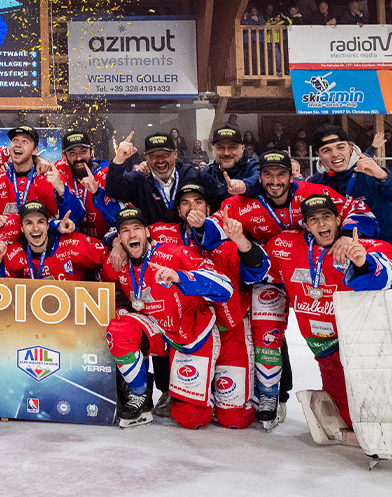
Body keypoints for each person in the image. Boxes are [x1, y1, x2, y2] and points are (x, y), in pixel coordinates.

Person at [198, 150, 378, 426]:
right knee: (265, 332)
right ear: (259, 178)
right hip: (271, 270)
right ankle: (270, 395)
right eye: (268, 175)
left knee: (330, 335)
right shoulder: (242, 203)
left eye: (281, 174)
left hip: (311, 270)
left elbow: (357, 209)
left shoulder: (311, 192)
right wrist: (201, 224)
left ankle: (360, 395)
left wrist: (345, 235)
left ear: (291, 176)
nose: (275, 181)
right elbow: (216, 228)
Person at [263, 195, 392, 441]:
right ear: (306, 225)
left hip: (362, 347)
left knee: (377, 409)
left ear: (338, 219)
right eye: (313, 219)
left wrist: (363, 263)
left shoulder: (362, 246)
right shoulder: (286, 246)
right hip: (324, 348)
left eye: (326, 216)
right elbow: (260, 269)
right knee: (351, 419)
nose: (321, 223)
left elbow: (387, 272)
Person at [147, 183, 269, 429]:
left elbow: (258, 270)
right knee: (189, 418)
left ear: (208, 209)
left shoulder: (226, 241)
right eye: (185, 203)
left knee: (235, 419)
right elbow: (132, 233)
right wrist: (116, 243)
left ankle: (248, 391)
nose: (192, 207)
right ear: (178, 211)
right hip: (191, 332)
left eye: (198, 202)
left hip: (228, 329)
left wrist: (242, 241)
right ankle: (198, 394)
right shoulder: (165, 235)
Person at [102, 207, 233, 429]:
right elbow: (103, 291)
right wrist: (120, 312)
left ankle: (204, 390)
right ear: (120, 238)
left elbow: (225, 287)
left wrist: (180, 277)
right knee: (118, 330)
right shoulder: (117, 263)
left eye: (137, 228)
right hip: (157, 330)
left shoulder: (174, 253)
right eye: (125, 231)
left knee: (190, 418)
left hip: (190, 332)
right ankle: (140, 395)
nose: (132, 234)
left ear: (147, 232)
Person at [105, 131, 221, 225]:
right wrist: (118, 160)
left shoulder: (193, 175)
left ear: (175, 154)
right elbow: (113, 190)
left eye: (166, 155)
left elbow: (219, 198)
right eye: (154, 156)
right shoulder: (140, 179)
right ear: (146, 158)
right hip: (154, 245)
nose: (160, 160)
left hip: (189, 243)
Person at [308, 124, 392, 243]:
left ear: (351, 147)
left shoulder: (370, 173)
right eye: (327, 150)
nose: (335, 154)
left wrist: (384, 177)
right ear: (319, 155)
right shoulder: (317, 182)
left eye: (340, 147)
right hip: (341, 250)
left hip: (381, 248)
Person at [0, 126, 83, 220]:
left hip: (38, 234)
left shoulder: (50, 179)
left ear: (35, 150)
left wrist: (61, 189)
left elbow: (77, 216)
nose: (18, 144)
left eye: (25, 141)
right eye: (15, 140)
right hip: (4, 235)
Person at [0, 201, 106, 281]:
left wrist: (114, 241)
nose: (35, 228)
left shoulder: (73, 244)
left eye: (40, 222)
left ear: (47, 225)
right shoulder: (12, 254)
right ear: (21, 228)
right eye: (29, 223)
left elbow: (107, 259)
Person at [53, 130, 122, 239]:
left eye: (83, 151)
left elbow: (119, 217)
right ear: (64, 156)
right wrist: (37, 160)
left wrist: (97, 192)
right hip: (74, 243)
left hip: (107, 242)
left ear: (92, 151)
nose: (78, 158)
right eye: (72, 153)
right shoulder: (59, 173)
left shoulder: (106, 174)